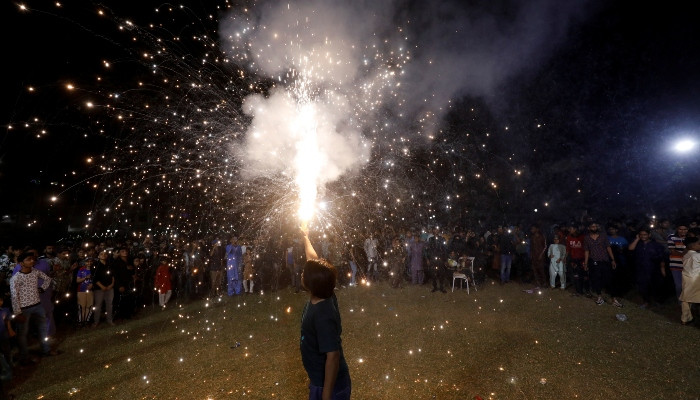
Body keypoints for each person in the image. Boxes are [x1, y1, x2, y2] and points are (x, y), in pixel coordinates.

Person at [299, 224, 351, 400]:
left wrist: (326, 395)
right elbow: (312, 260)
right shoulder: (326, 293)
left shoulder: (322, 314)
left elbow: (333, 356)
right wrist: (306, 236)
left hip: (330, 387)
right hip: (321, 382)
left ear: (311, 283)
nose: (302, 273)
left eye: (304, 273)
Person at [9, 252, 57, 364]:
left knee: (43, 329)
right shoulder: (15, 278)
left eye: (32, 259)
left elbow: (47, 279)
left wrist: (42, 288)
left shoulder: (35, 272)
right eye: (28, 259)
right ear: (21, 263)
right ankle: (24, 357)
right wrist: (17, 312)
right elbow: (14, 296)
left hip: (37, 305)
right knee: (23, 334)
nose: (32, 261)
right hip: (24, 309)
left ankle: (46, 350)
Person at [583, 222, 622, 307]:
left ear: (598, 227)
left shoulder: (603, 236)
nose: (594, 227)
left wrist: (612, 259)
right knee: (596, 280)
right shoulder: (586, 238)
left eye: (595, 226)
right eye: (592, 226)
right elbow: (586, 251)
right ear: (589, 228)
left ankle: (614, 299)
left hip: (605, 260)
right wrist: (585, 263)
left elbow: (608, 247)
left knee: (609, 279)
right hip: (594, 261)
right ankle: (599, 297)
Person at [628, 228, 666, 308]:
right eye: (641, 235)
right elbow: (630, 248)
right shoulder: (638, 244)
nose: (643, 236)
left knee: (655, 286)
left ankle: (657, 302)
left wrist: (662, 269)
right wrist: (637, 239)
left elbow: (662, 258)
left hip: (654, 269)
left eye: (645, 234)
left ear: (649, 235)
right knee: (643, 286)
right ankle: (646, 302)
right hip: (641, 269)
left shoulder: (656, 245)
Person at [679, 237, 700, 325]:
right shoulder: (697, 255)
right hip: (696, 279)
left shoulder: (686, 255)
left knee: (686, 299)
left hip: (686, 279)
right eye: (698, 244)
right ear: (692, 246)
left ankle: (685, 318)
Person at [92, 250, 115, 327]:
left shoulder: (109, 265)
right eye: (101, 254)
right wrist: (102, 286)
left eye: (105, 254)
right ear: (98, 256)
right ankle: (96, 321)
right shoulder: (96, 265)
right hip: (99, 289)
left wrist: (112, 284)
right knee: (98, 305)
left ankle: (109, 320)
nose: (103, 255)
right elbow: (94, 278)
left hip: (109, 288)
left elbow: (113, 276)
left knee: (109, 305)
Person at [668, 222, 689, 300]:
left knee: (688, 285)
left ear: (688, 229)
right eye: (680, 229)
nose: (683, 231)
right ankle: (680, 302)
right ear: (677, 229)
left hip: (688, 265)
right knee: (679, 286)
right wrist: (687, 253)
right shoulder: (671, 237)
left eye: (685, 229)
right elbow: (672, 251)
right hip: (675, 265)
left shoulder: (690, 238)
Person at [566, 225, 588, 296]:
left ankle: (587, 290)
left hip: (582, 258)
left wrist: (587, 260)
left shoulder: (582, 237)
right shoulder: (569, 237)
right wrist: (565, 257)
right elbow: (568, 249)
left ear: (575, 229)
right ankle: (579, 291)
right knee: (576, 275)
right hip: (574, 259)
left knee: (584, 275)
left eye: (571, 228)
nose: (569, 230)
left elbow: (586, 249)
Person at [76, 258, 94, 326]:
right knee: (81, 306)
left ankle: (87, 320)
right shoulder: (81, 270)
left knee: (89, 306)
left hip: (90, 290)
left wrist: (92, 285)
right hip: (81, 290)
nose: (89, 263)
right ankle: (80, 321)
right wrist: (86, 277)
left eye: (90, 262)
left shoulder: (94, 270)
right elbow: (77, 280)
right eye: (87, 262)